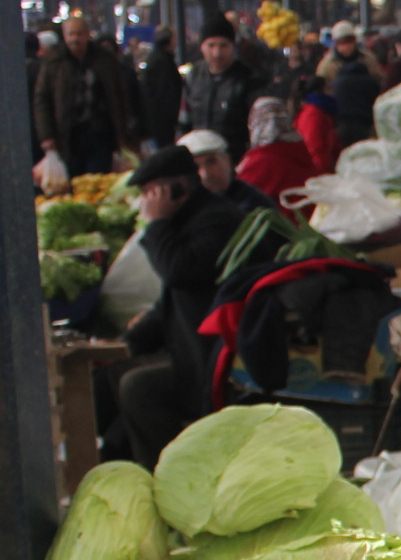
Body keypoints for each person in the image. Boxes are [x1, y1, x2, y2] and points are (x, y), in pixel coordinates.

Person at [103, 145, 247, 466]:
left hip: (214, 359)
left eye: (149, 193)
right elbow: (169, 303)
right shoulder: (188, 221)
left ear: (174, 189)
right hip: (192, 350)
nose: (145, 203)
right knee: (111, 374)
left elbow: (178, 270)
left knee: (137, 388)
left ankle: (166, 474)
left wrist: (156, 225)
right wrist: (124, 344)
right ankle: (120, 461)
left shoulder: (216, 220)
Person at [33, 14, 142, 178]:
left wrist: (124, 132)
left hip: (100, 134)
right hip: (67, 136)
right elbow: (42, 101)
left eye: (79, 34)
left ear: (87, 34)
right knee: (73, 181)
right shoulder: (54, 63)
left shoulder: (103, 60)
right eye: (71, 34)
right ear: (64, 36)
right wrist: (46, 137)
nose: (75, 39)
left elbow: (119, 95)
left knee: (98, 181)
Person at [178, 15, 256, 154]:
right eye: (211, 45)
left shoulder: (248, 79)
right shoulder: (193, 77)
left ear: (232, 46)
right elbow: (184, 121)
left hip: (234, 156)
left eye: (223, 45)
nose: (217, 53)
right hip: (198, 156)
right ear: (202, 47)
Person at [177, 129, 278, 215]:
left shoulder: (253, 205)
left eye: (212, 162)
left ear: (228, 161)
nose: (205, 175)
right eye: (195, 166)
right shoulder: (176, 208)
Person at [140, 28, 183, 149]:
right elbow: (165, 91)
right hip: (162, 120)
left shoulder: (156, 58)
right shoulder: (163, 61)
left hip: (158, 118)